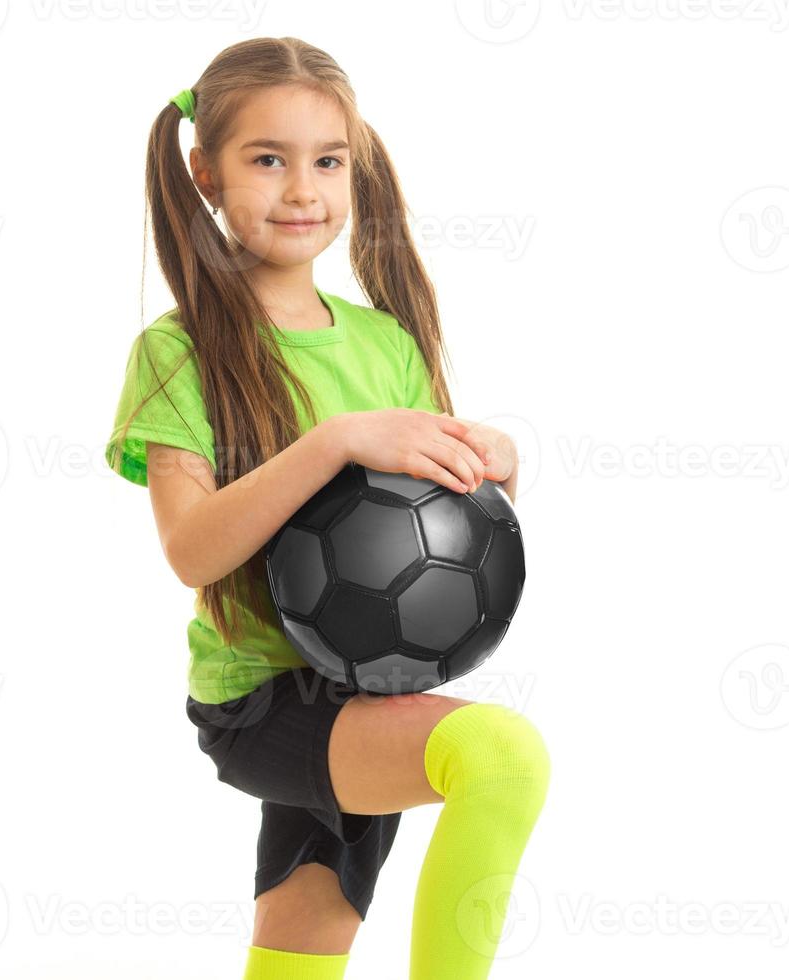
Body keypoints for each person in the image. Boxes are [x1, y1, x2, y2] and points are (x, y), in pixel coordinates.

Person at [104, 36, 551, 979]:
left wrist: (493, 466)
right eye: (267, 159)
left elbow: (432, 518)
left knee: (305, 942)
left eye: (327, 161)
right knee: (499, 755)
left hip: (371, 680)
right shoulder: (176, 352)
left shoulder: (385, 345)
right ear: (205, 173)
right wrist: (332, 442)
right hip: (263, 701)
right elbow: (191, 550)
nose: (302, 189)